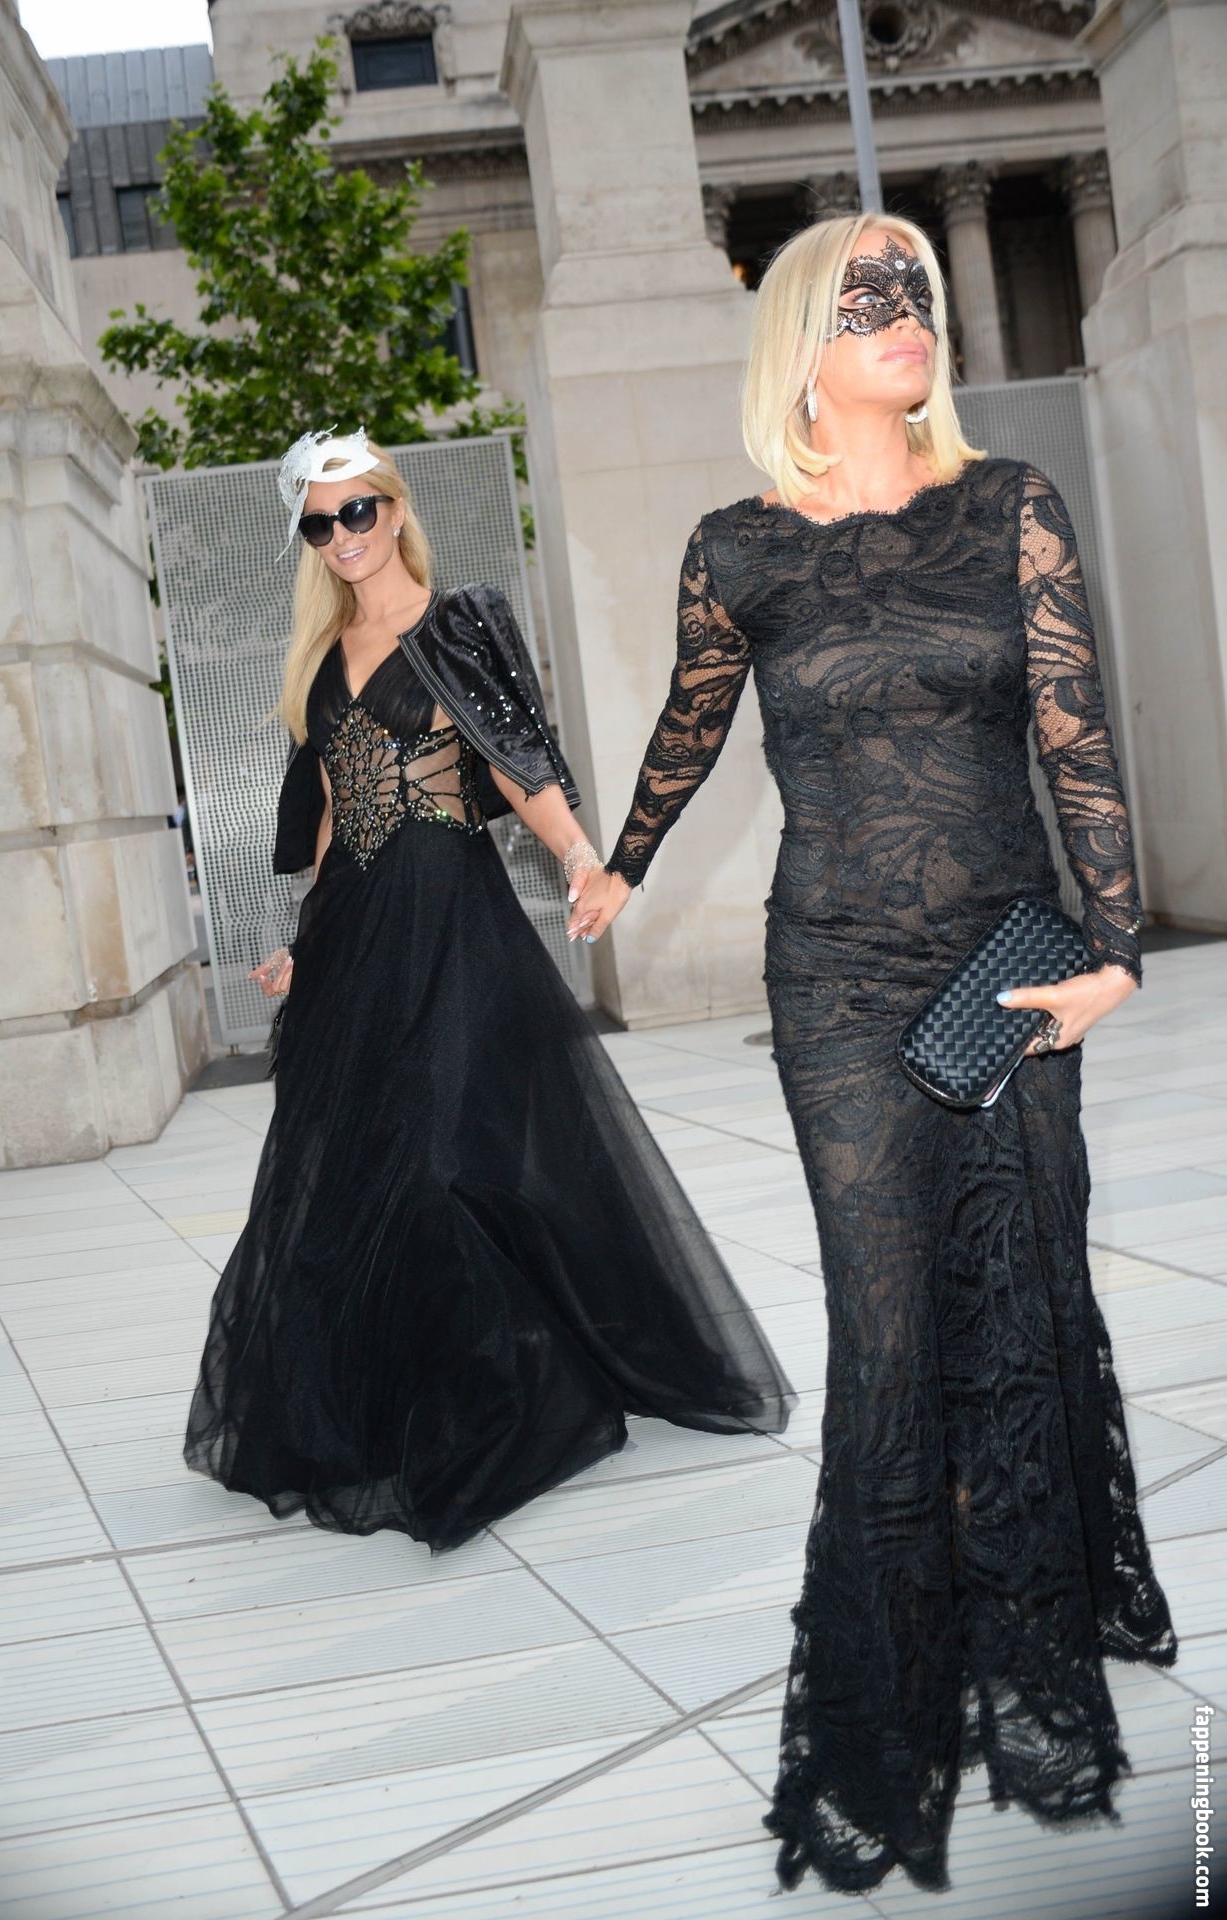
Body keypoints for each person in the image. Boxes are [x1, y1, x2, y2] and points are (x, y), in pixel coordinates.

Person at [567, 214, 1178, 1896]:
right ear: (801, 347)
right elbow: (692, 720)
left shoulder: (1010, 506)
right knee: (888, 1319)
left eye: (917, 291)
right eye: (867, 297)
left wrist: (1115, 951)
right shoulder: (737, 548)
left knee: (1020, 1291)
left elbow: (1073, 733)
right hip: (834, 980)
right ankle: (887, 1704)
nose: (906, 316)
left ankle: (1038, 1636)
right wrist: (621, 860)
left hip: (1005, 966)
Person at [182, 426, 794, 1553]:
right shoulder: (318, 657)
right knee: (357, 1158)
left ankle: (498, 1398)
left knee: (446, 1154)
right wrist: (300, 942)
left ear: (394, 508)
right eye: (319, 524)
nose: (342, 536)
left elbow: (517, 763)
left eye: (357, 511)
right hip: (355, 928)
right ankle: (387, 1398)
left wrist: (581, 860)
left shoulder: (460, 621)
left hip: (452, 917)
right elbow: (328, 813)